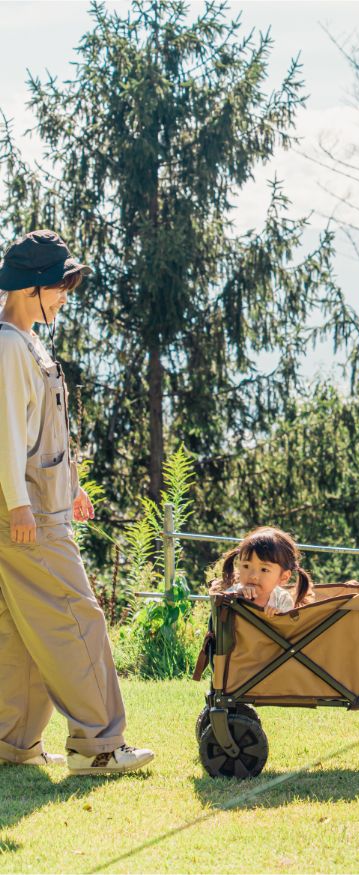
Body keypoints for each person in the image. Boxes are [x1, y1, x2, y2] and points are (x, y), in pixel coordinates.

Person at [0, 229, 154, 774]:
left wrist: (72, 485)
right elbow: (6, 435)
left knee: (24, 625)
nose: (66, 294)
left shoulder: (26, 342)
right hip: (28, 514)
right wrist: (20, 505)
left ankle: (12, 742)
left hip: (38, 502)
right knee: (77, 616)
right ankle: (99, 746)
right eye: (60, 284)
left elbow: (37, 429)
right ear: (32, 286)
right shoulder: (9, 346)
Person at [212, 526, 312, 616]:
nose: (253, 575)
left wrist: (278, 617)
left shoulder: (282, 599)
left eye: (264, 569)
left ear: (283, 577)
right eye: (246, 566)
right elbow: (220, 616)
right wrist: (237, 597)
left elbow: (286, 632)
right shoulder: (233, 593)